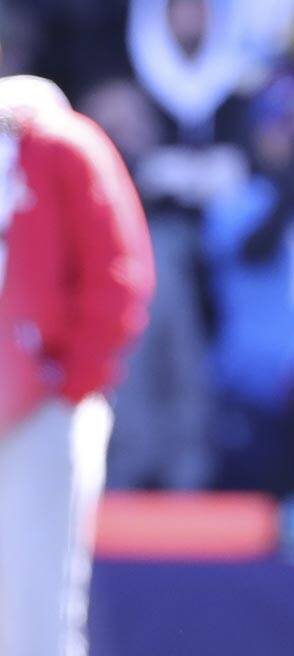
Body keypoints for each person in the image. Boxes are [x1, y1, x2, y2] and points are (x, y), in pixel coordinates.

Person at [0, 75, 155, 655]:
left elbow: (119, 275)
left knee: (34, 610)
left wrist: (66, 387)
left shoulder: (63, 143)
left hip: (44, 412)